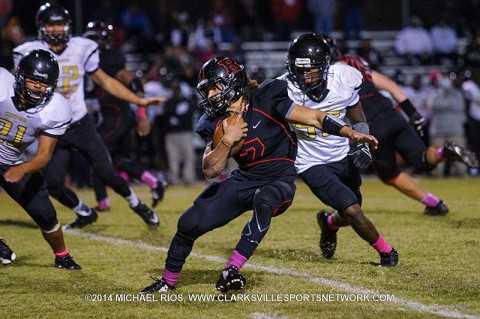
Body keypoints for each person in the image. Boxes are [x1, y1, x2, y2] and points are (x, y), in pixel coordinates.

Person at [140, 56, 378, 293]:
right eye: (207, 90)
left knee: (265, 200)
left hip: (279, 180)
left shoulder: (266, 96)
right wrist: (226, 142)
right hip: (245, 178)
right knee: (189, 222)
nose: (211, 95)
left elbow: (314, 117)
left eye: (215, 87)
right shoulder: (212, 122)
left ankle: (231, 269)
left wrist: (350, 132)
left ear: (233, 83)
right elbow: (211, 169)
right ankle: (167, 282)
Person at [13, 3, 165, 230]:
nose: (56, 29)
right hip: (51, 128)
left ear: (68, 26)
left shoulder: (81, 47)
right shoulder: (28, 51)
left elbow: (105, 81)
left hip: (80, 123)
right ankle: (84, 212)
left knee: (106, 171)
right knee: (53, 183)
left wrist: (139, 101)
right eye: (51, 24)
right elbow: (18, 87)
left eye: (60, 24)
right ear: (41, 27)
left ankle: (138, 204)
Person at [321, 35, 478, 216]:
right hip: (393, 115)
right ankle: (444, 155)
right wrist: (412, 113)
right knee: (423, 159)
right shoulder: (353, 63)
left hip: (370, 126)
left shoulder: (327, 76)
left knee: (390, 174)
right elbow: (390, 85)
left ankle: (434, 202)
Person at [277, 33, 398, 265]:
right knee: (352, 210)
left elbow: (357, 114)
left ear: (324, 66)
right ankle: (387, 252)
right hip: (310, 162)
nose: (304, 75)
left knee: (352, 208)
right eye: (299, 69)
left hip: (342, 155)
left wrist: (361, 143)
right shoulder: (283, 88)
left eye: (310, 69)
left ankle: (329, 223)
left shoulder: (343, 77)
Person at [0, 49, 80, 269]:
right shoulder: (2, 85)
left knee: (45, 213)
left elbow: (44, 156)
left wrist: (23, 168)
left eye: (44, 83)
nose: (38, 86)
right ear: (20, 76)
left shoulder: (56, 108)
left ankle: (62, 256)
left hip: (15, 161)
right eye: (34, 80)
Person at [83, 21, 166, 211]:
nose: (92, 43)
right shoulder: (91, 59)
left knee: (94, 152)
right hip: (110, 115)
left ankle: (103, 202)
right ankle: (154, 182)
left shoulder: (110, 59)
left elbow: (135, 82)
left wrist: (142, 115)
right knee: (117, 159)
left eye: (96, 38)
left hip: (117, 115)